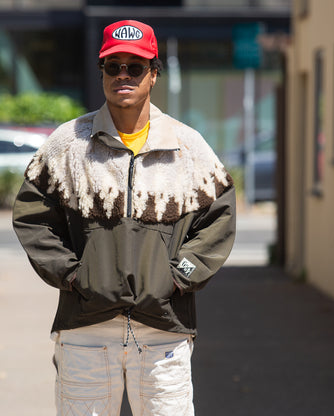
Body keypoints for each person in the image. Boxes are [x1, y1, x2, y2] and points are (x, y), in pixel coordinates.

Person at [13, 19, 236, 416]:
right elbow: (33, 218)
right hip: (85, 330)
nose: (123, 75)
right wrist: (74, 275)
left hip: (164, 330)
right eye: (113, 66)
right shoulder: (68, 143)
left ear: (154, 74)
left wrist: (178, 277)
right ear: (102, 72)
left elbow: (219, 219)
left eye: (135, 67)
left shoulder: (187, 146)